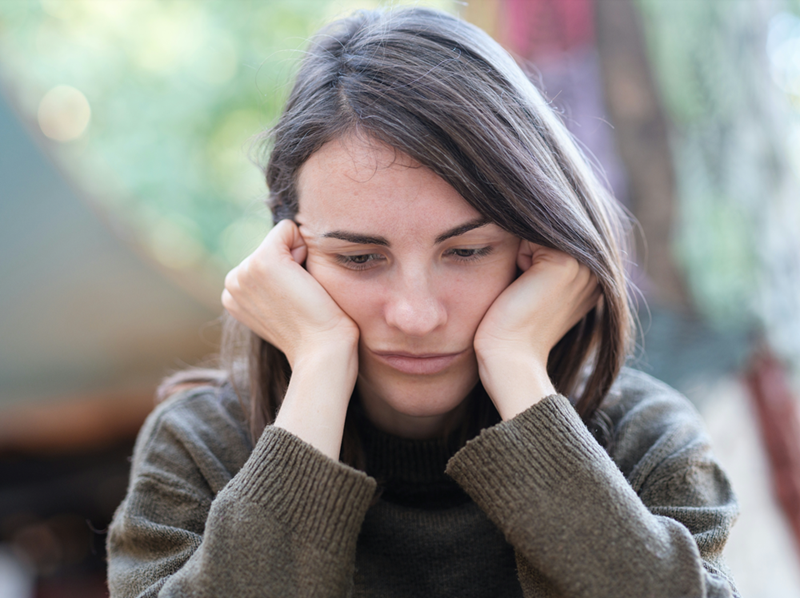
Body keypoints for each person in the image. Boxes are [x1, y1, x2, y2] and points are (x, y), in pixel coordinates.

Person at [106, 7, 738, 597]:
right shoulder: (200, 448)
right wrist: (321, 367)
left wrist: (516, 365)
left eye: (467, 252)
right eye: (358, 258)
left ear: (539, 246)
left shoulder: (641, 441)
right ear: (288, 255)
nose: (416, 315)